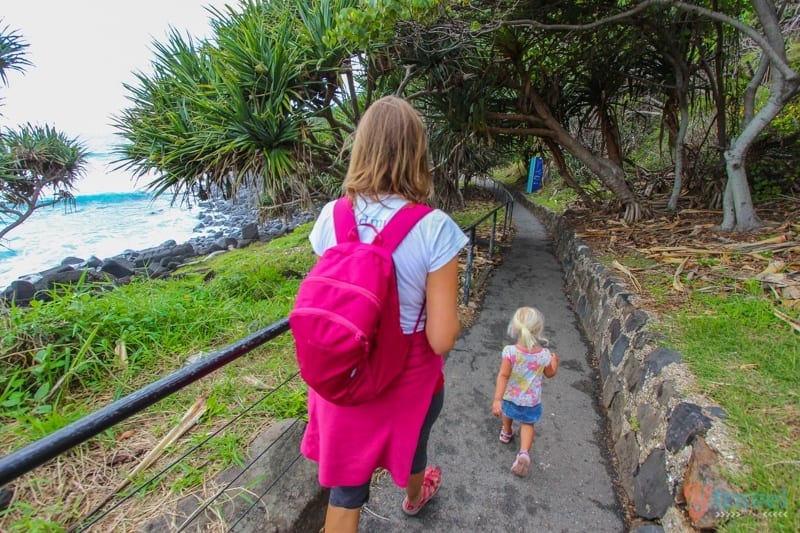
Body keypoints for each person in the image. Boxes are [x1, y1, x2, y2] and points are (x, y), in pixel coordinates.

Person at [300, 95, 469, 532]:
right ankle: (415, 496)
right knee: (414, 443)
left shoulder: (330, 217)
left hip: (345, 372)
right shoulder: (434, 228)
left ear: (362, 147)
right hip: (408, 377)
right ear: (418, 152)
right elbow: (441, 339)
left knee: (345, 488)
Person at [491, 306, 559, 477]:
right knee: (528, 424)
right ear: (538, 329)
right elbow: (550, 374)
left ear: (515, 328)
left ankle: (506, 432)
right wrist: (555, 362)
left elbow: (503, 375)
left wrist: (498, 399)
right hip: (532, 401)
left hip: (511, 396)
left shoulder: (510, 352)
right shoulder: (544, 354)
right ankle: (523, 453)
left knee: (508, 413)